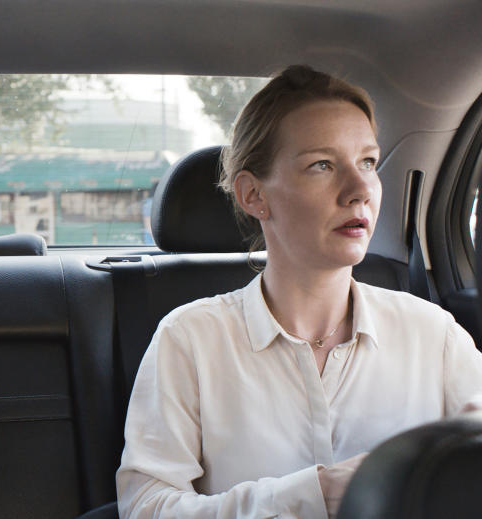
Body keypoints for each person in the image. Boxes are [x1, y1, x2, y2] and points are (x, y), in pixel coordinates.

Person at [116, 65, 482, 519]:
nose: (359, 190)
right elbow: (146, 508)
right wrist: (314, 494)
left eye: (368, 162)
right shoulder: (189, 339)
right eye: (322, 165)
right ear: (253, 196)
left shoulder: (434, 335)